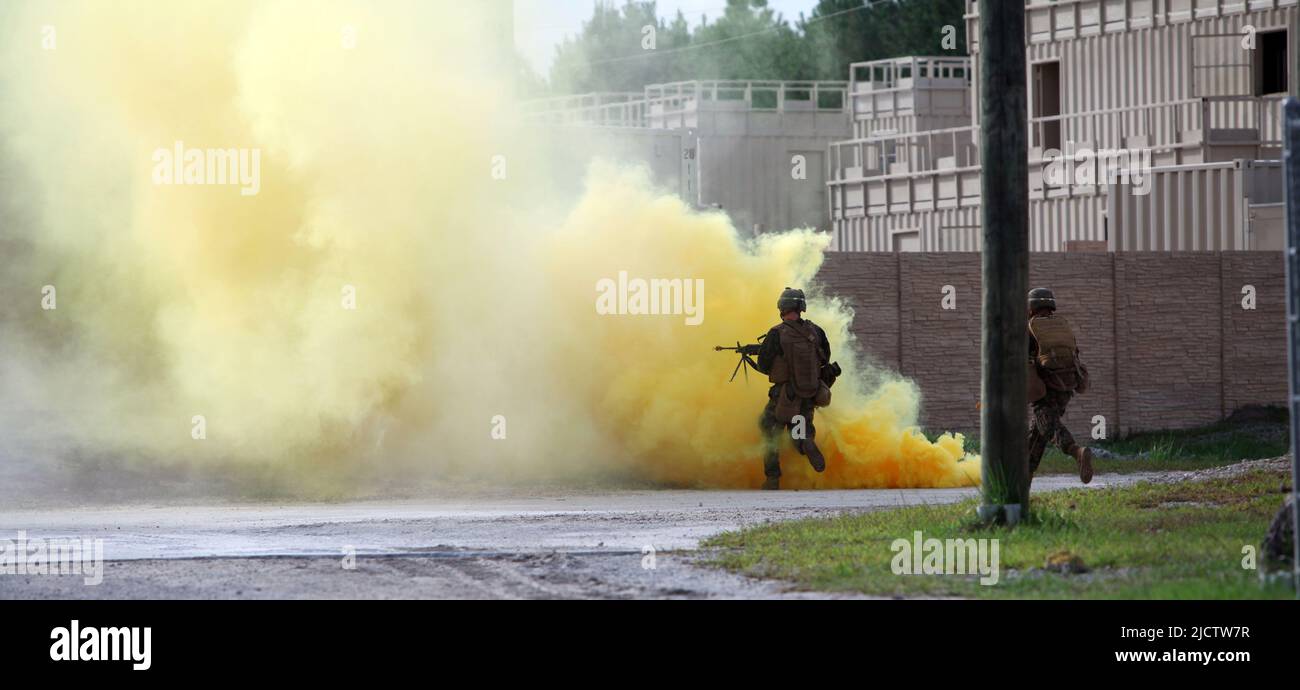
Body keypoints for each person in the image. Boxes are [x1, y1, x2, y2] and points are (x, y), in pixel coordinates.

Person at [748, 287, 832, 490]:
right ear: (801, 307)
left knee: (770, 430)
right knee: (799, 429)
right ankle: (806, 443)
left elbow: (764, 365)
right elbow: (825, 358)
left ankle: (773, 478)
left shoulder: (777, 333)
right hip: (809, 394)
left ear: (782, 307)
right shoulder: (816, 332)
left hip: (784, 395)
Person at [1026, 287, 1093, 484]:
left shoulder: (1031, 328)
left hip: (1044, 389)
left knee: (1049, 427)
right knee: (1036, 436)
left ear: (1031, 307)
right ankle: (1023, 478)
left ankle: (1077, 452)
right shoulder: (1062, 326)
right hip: (1066, 387)